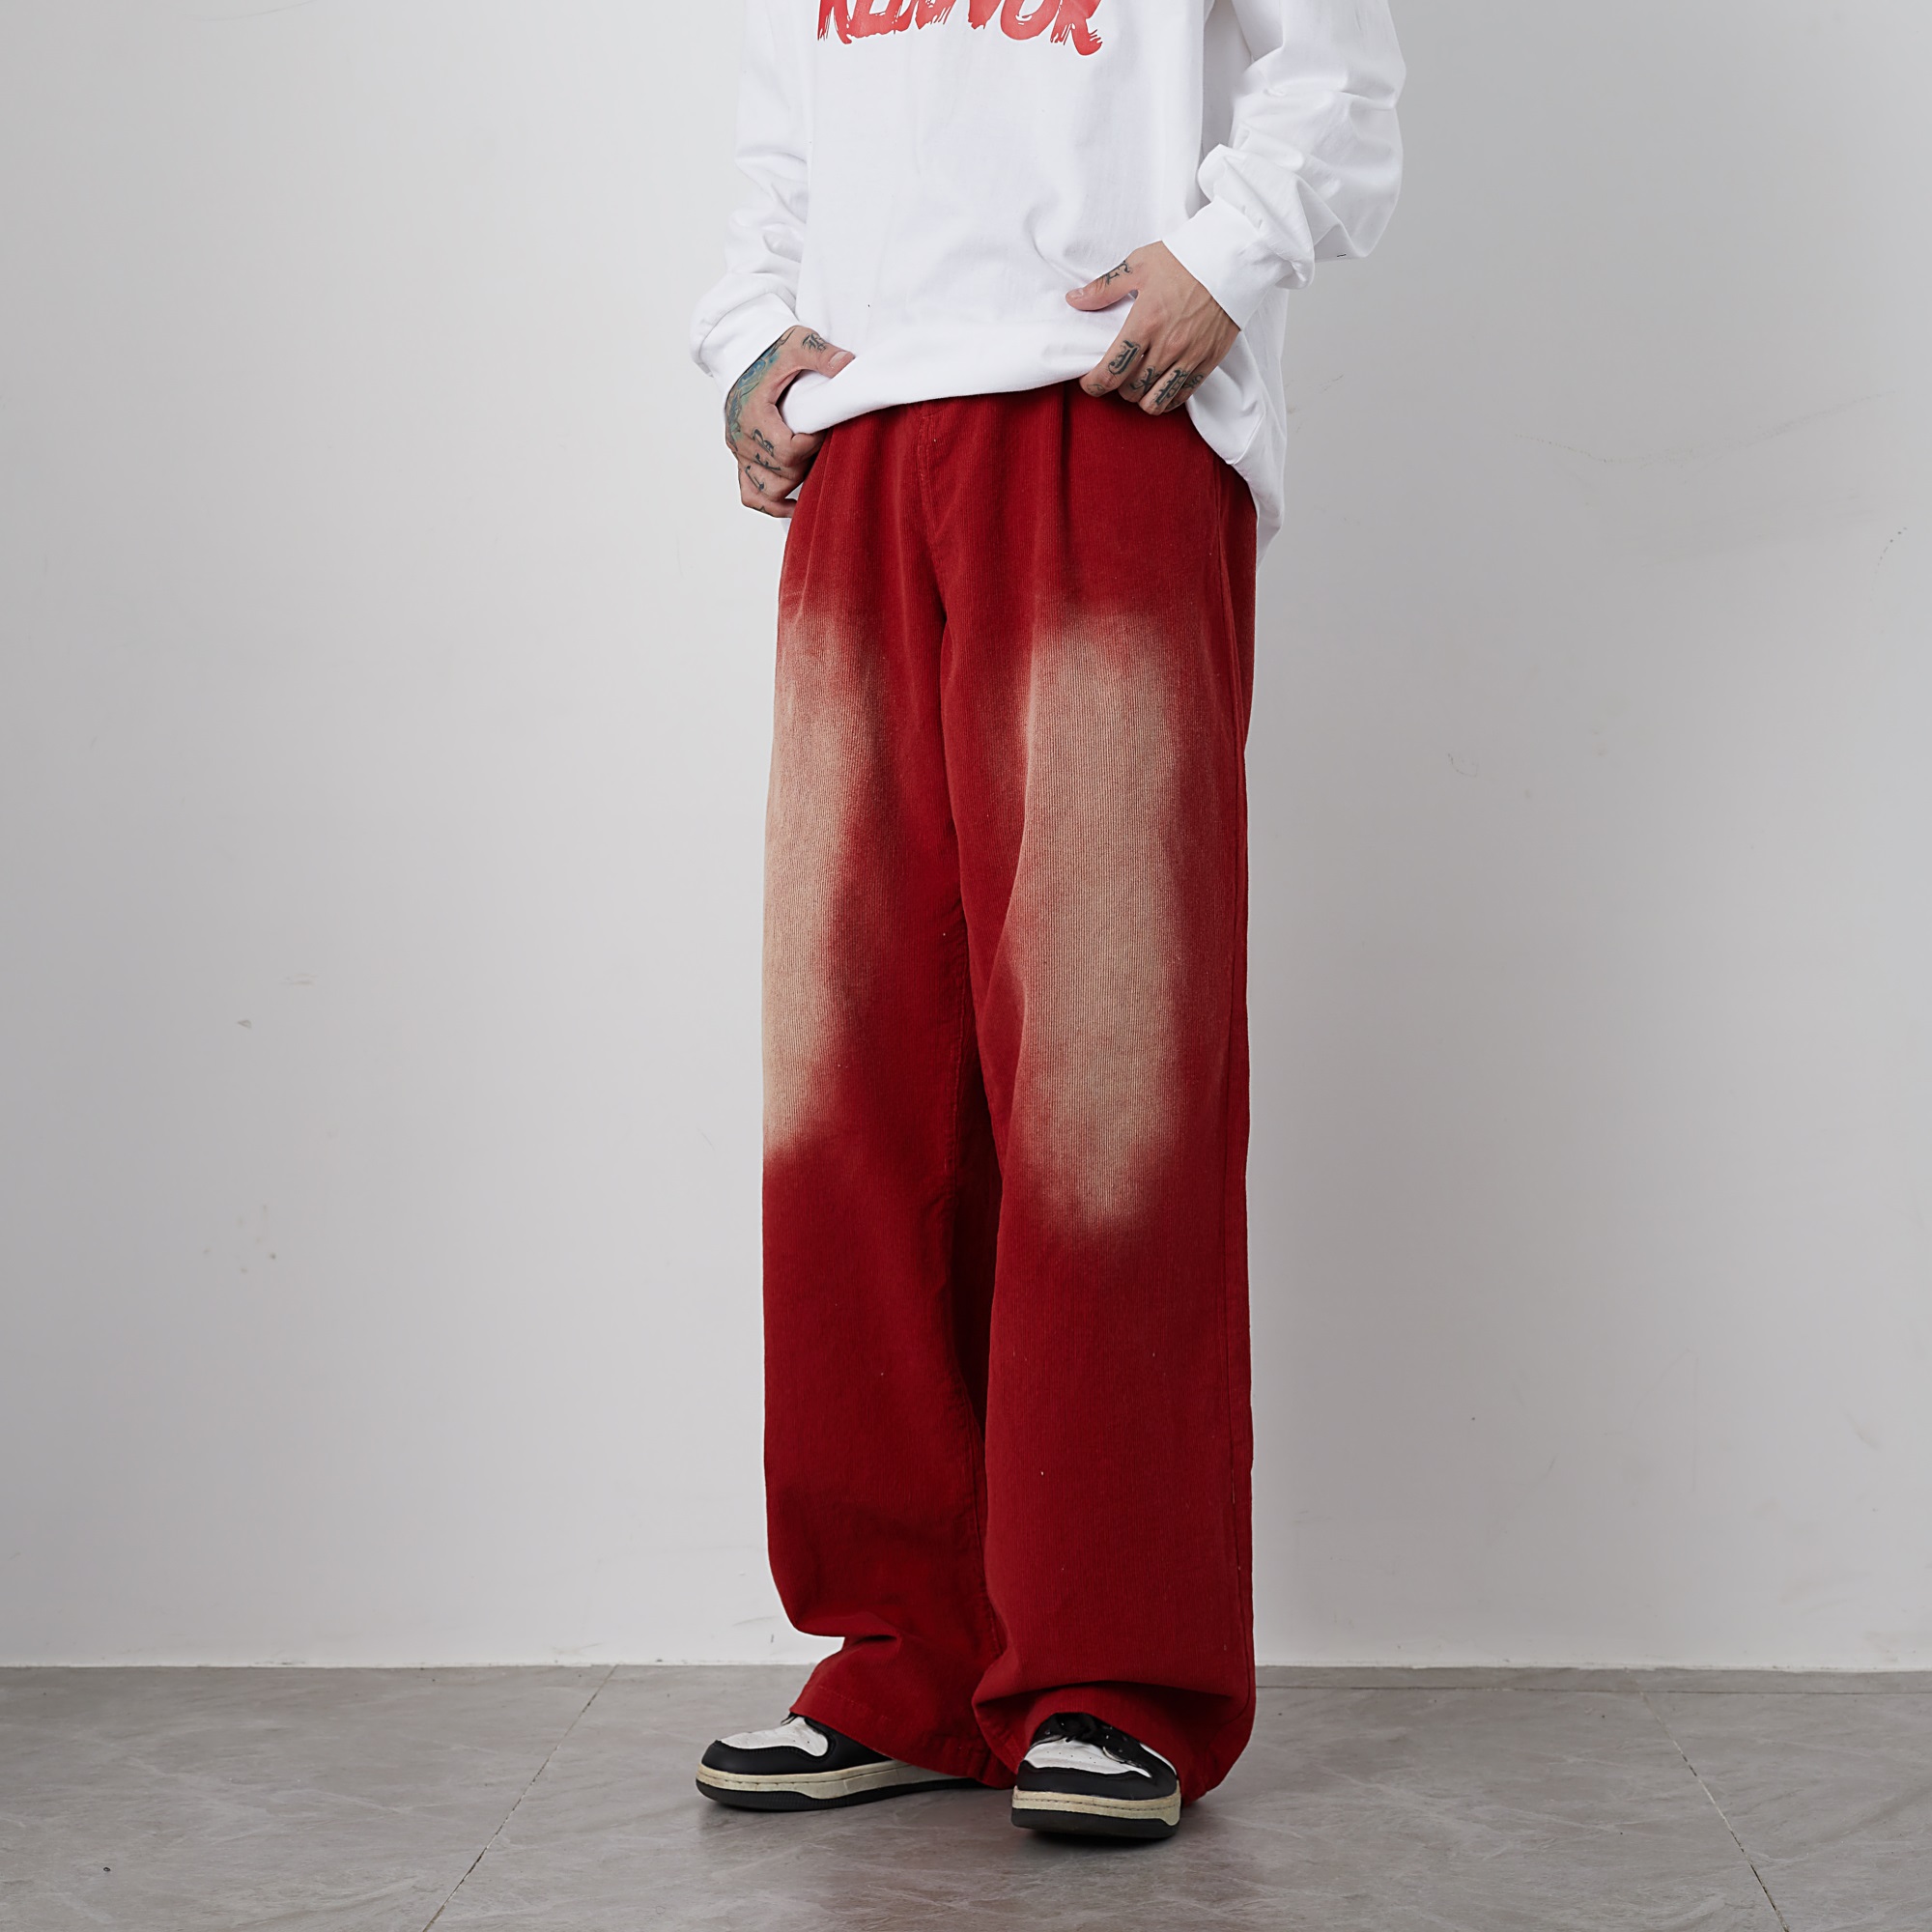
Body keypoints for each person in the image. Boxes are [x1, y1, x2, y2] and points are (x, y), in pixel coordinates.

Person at [687, 0, 1403, 1841]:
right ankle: (911, 1657)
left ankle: (1115, 1671)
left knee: (1106, 1078)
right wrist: (746, 337)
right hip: (864, 451)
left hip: (1105, 409)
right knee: (854, 1083)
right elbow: (783, 130)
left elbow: (1335, 64)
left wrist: (1227, 253)